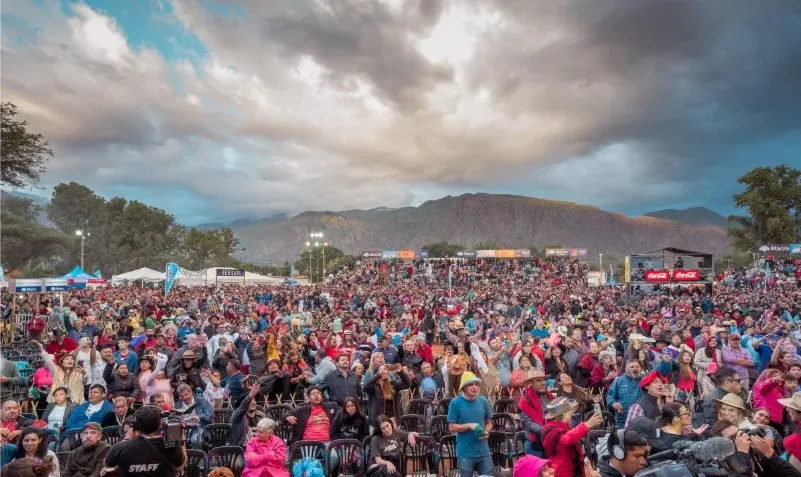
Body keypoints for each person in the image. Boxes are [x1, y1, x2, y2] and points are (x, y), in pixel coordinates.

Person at [102, 405, 186, 477]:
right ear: (160, 422)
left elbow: (107, 465)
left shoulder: (120, 447)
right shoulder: (171, 445)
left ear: (136, 424)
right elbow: (180, 467)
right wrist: (181, 440)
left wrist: (127, 437)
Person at [540, 397, 603, 477]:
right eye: (570, 410)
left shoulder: (562, 426)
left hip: (569, 470)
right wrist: (586, 425)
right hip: (563, 472)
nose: (572, 412)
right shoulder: (552, 431)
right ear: (563, 414)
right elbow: (566, 439)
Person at [447, 372, 493, 477]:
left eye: (476, 384)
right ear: (464, 387)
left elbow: (489, 423)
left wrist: (486, 431)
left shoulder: (483, 401)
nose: (474, 387)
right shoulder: (455, 403)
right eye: (470, 384)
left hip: (484, 452)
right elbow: (451, 428)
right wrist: (469, 425)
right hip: (465, 453)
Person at [518, 368, 553, 456]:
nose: (543, 383)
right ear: (530, 383)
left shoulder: (549, 396)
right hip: (535, 445)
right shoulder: (525, 400)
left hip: (551, 441)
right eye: (538, 380)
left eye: (544, 380)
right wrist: (548, 431)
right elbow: (529, 424)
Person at [173, 384, 213, 448]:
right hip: (184, 429)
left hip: (200, 426)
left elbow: (210, 415)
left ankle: (197, 457)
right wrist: (181, 422)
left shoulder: (201, 400)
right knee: (172, 441)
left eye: (186, 394)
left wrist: (199, 417)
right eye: (182, 396)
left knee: (196, 440)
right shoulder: (177, 405)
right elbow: (175, 419)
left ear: (191, 392)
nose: (185, 397)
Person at [605, 360, 642, 428]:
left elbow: (657, 372)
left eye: (637, 366)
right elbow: (610, 395)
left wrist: (665, 362)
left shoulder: (645, 380)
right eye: (632, 367)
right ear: (626, 369)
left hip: (641, 420)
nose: (635, 368)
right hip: (622, 421)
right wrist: (613, 403)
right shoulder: (618, 380)